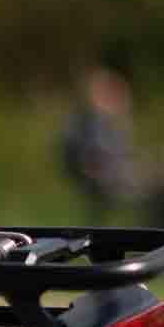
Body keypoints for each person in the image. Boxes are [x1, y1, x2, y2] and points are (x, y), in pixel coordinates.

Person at [57, 66, 140, 216]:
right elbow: (95, 161)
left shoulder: (106, 123)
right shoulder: (90, 124)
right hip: (106, 181)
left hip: (114, 177)